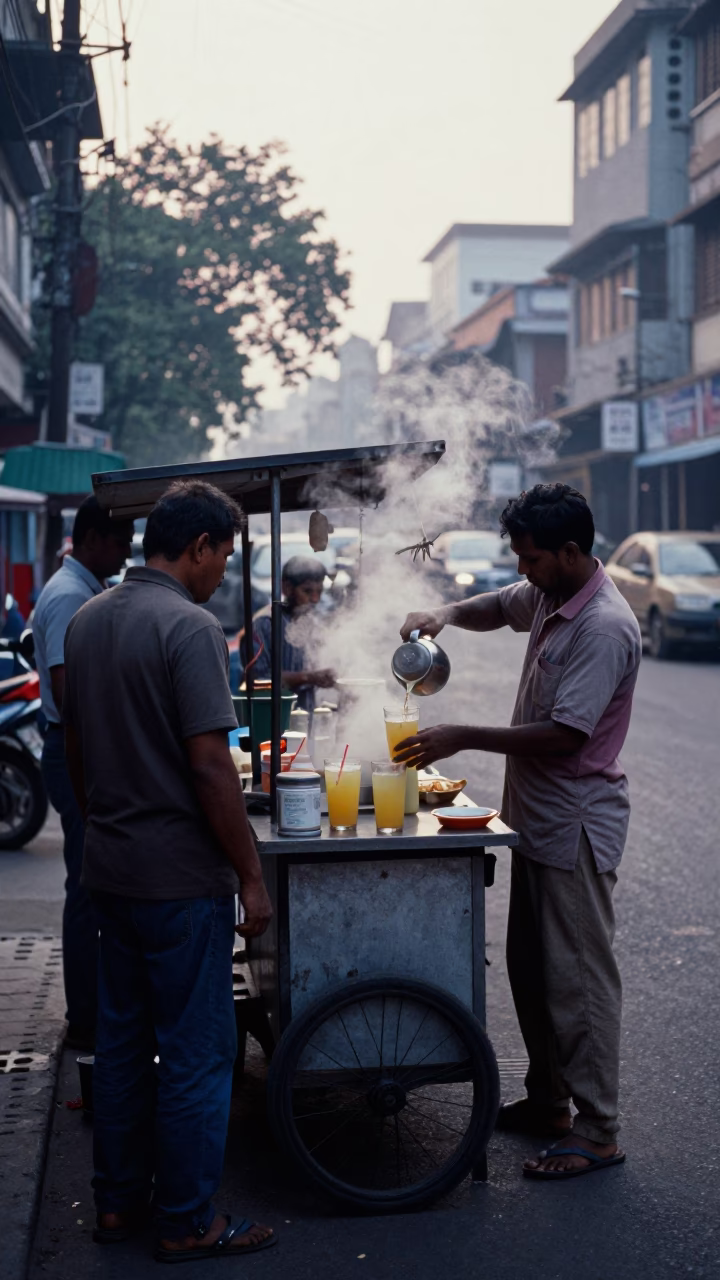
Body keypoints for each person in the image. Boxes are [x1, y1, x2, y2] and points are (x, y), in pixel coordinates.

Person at [396, 483, 641, 1181]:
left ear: (570, 552)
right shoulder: (547, 591)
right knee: (532, 971)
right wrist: (443, 612)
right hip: (533, 818)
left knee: (580, 980)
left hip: (576, 824)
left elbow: (567, 734)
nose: (522, 571)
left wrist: (462, 736)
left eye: (531, 560)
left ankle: (598, 1130)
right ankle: (550, 1102)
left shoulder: (603, 626)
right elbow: (497, 607)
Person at [63, 480, 276, 1260]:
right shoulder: (189, 629)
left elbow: (77, 748)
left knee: (122, 1044)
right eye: (223, 553)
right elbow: (213, 770)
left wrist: (104, 830)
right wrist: (250, 876)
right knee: (196, 1050)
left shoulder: (88, 622)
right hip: (179, 884)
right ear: (198, 548)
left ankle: (118, 1206)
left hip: (111, 874)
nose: (223, 569)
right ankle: (188, 1220)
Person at [32, 496, 133, 1049]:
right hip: (74, 750)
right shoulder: (70, 595)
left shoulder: (80, 588)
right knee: (88, 887)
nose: (125, 554)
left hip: (79, 748)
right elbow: (71, 694)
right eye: (121, 542)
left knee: (92, 883)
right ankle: (87, 1017)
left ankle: (95, 1008)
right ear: (92, 538)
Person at [249, 555, 335, 709]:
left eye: (319, 591)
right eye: (307, 591)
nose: (315, 599)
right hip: (275, 717)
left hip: (307, 714)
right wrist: (308, 677)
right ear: (287, 588)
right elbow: (256, 680)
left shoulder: (314, 622)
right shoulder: (265, 624)